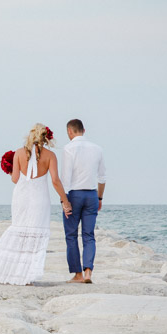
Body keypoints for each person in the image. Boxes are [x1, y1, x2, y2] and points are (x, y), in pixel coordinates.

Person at [0, 124, 72, 285]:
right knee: (34, 235)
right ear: (46, 138)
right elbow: (55, 181)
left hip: (21, 197)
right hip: (39, 198)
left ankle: (12, 274)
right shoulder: (50, 156)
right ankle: (27, 277)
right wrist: (65, 200)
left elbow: (15, 179)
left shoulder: (19, 153)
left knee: (19, 231)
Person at [60, 119, 106, 284]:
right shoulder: (97, 149)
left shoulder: (69, 148)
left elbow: (65, 178)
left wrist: (64, 201)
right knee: (89, 235)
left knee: (71, 235)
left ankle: (78, 274)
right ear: (84, 130)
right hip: (92, 195)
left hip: (74, 194)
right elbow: (102, 177)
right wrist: (99, 197)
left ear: (70, 132)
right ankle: (88, 272)